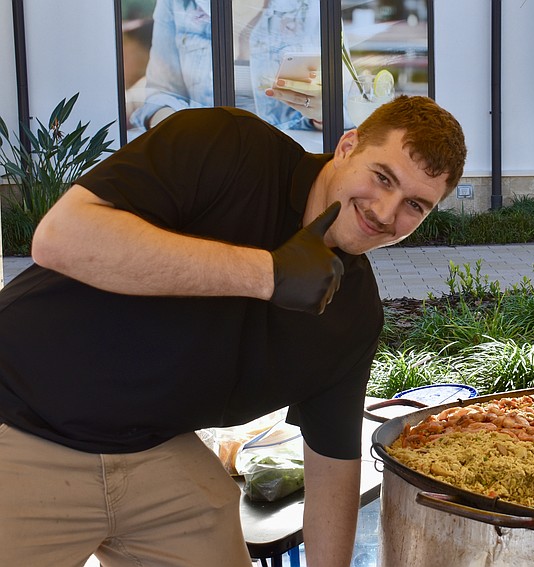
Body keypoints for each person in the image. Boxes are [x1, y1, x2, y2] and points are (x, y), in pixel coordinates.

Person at [0, 95, 467, 566]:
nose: (386, 213)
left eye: (414, 205)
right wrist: (269, 274)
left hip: (154, 445)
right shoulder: (228, 146)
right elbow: (60, 238)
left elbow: (332, 468)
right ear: (347, 147)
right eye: (382, 177)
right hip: (20, 416)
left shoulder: (352, 312)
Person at [131, 0, 323, 136]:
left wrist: (323, 113)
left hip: (291, 155)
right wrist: (182, 136)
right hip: (203, 161)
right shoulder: (178, 3)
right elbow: (162, 95)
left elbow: (344, 100)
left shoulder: (311, 4)